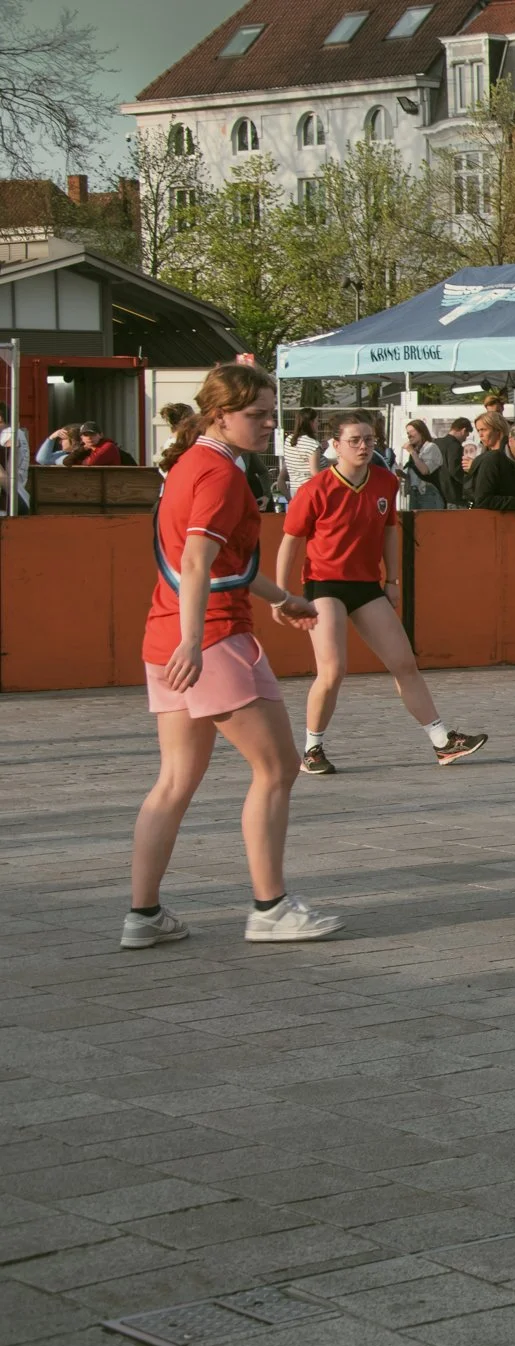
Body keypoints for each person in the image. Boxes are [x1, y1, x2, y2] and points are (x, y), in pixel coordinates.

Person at [126, 362, 338, 950]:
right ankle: (269, 908)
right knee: (276, 768)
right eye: (257, 415)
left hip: (165, 638)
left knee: (174, 780)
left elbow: (221, 568)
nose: (270, 424)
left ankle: (143, 916)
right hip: (211, 641)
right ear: (219, 414)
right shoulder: (220, 476)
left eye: (272, 413)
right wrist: (196, 642)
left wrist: (282, 597)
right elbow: (196, 562)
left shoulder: (193, 464)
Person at [277, 411, 487, 777]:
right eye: (355, 440)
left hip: (365, 584)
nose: (363, 446)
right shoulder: (316, 489)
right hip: (324, 583)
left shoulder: (385, 481)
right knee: (333, 669)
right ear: (335, 446)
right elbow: (290, 542)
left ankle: (442, 742)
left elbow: (390, 530)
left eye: (369, 439)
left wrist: (391, 581)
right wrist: (281, 594)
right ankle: (312, 749)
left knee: (403, 663)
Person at [281, 410, 323, 496]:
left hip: (294, 489)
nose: (318, 424)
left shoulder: (289, 440)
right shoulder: (312, 444)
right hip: (309, 490)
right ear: (310, 423)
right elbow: (315, 473)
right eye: (317, 421)